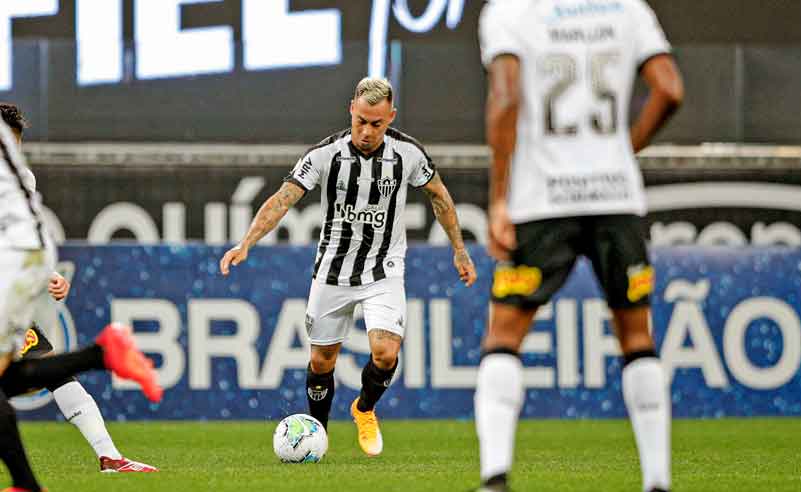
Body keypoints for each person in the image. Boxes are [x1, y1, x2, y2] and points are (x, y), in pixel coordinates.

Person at [476, 1, 684, 491]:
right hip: (616, 197)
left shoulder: (508, 11)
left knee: (504, 334)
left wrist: (498, 198)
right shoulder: (627, 7)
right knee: (637, 337)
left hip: (541, 198)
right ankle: (657, 482)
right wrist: (623, 150)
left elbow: (506, 98)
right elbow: (670, 89)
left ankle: (495, 478)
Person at [221, 77, 477, 457]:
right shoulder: (325, 155)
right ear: (350, 111)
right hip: (332, 271)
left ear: (390, 117)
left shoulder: (409, 154)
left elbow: (439, 197)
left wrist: (459, 249)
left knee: (385, 352)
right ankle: (317, 434)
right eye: (361, 121)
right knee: (322, 361)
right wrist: (247, 242)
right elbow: (282, 200)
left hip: (384, 269)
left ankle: (364, 409)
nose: (367, 131)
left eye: (376, 123)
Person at [0, 114, 162, 492]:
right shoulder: (17, 174)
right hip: (19, 263)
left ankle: (101, 356)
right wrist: (44, 273)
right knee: (27, 370)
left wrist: (41, 274)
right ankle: (101, 359)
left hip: (13, 267)